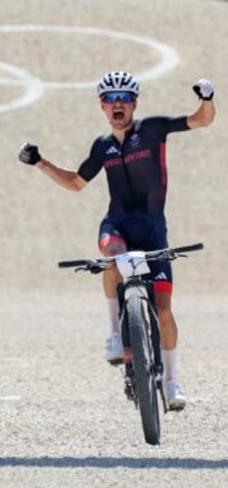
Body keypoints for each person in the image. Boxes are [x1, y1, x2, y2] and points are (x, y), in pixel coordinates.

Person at [17, 71, 216, 411]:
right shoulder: (102, 147)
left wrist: (207, 99)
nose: (117, 104)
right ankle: (114, 334)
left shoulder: (152, 130)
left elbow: (201, 121)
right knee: (112, 255)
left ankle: (171, 381)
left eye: (124, 98)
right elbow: (77, 183)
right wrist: (39, 162)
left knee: (165, 314)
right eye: (110, 99)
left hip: (154, 228)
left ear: (135, 103)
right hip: (118, 224)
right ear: (102, 107)